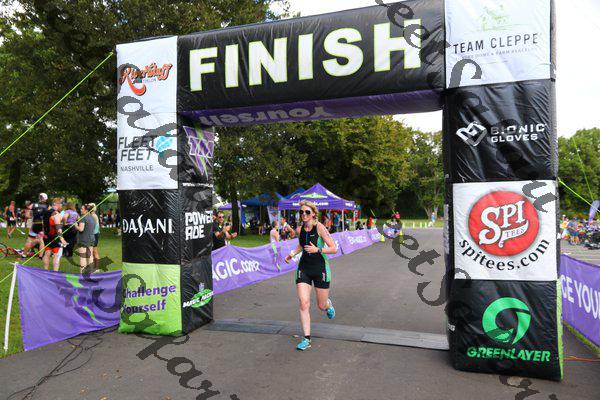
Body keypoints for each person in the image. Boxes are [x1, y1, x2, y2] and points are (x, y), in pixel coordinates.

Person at [284, 200, 337, 351]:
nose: (304, 214)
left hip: (320, 269)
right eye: (301, 212)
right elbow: (301, 245)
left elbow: (334, 248)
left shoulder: (319, 227)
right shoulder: (299, 229)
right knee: (303, 303)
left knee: (321, 305)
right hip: (304, 268)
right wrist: (292, 254)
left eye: (307, 212)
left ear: (313, 214)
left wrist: (318, 250)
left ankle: (328, 305)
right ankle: (306, 338)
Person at [42, 198, 67, 272]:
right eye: (61, 204)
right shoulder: (55, 213)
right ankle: (55, 273)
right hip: (55, 237)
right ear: (57, 204)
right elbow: (58, 226)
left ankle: (45, 271)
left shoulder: (46, 212)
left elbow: (43, 224)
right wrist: (61, 238)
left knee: (47, 254)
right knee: (56, 255)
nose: (61, 206)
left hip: (46, 236)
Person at [75, 204, 96, 273]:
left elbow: (81, 229)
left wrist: (76, 225)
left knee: (82, 257)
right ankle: (91, 272)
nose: (80, 210)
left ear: (86, 210)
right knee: (90, 256)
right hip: (91, 239)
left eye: (82, 209)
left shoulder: (83, 217)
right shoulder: (93, 217)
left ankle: (82, 274)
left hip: (83, 240)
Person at [89, 203, 101, 270]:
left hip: (94, 235)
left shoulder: (93, 215)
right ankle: (94, 266)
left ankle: (97, 268)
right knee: (92, 252)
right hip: (92, 234)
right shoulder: (91, 215)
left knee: (95, 251)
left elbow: (92, 226)